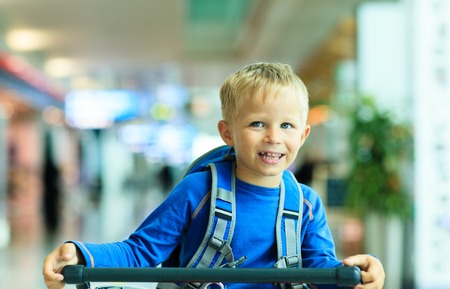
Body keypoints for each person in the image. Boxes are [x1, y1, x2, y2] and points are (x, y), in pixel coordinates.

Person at [43, 62, 385, 289]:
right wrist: (80, 253)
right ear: (228, 133)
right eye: (257, 123)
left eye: (286, 125)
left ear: (303, 135)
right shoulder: (198, 190)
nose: (273, 137)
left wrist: (355, 275)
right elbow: (141, 251)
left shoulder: (307, 204)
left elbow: (320, 269)